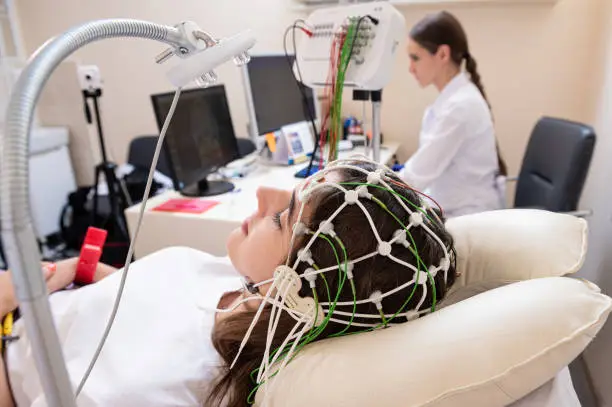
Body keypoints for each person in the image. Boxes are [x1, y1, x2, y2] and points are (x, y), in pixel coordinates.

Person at [0, 160, 457, 406]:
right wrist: (69, 273)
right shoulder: (243, 289)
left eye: (282, 218)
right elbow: (142, 300)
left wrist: (10, 306)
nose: (263, 196)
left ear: (295, 289)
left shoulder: (149, 382)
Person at [399, 10, 508, 217]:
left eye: (415, 58)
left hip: (468, 218)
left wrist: (370, 186)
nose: (410, 68)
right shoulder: (455, 99)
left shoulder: (460, 107)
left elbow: (414, 177)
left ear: (442, 54)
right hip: (453, 207)